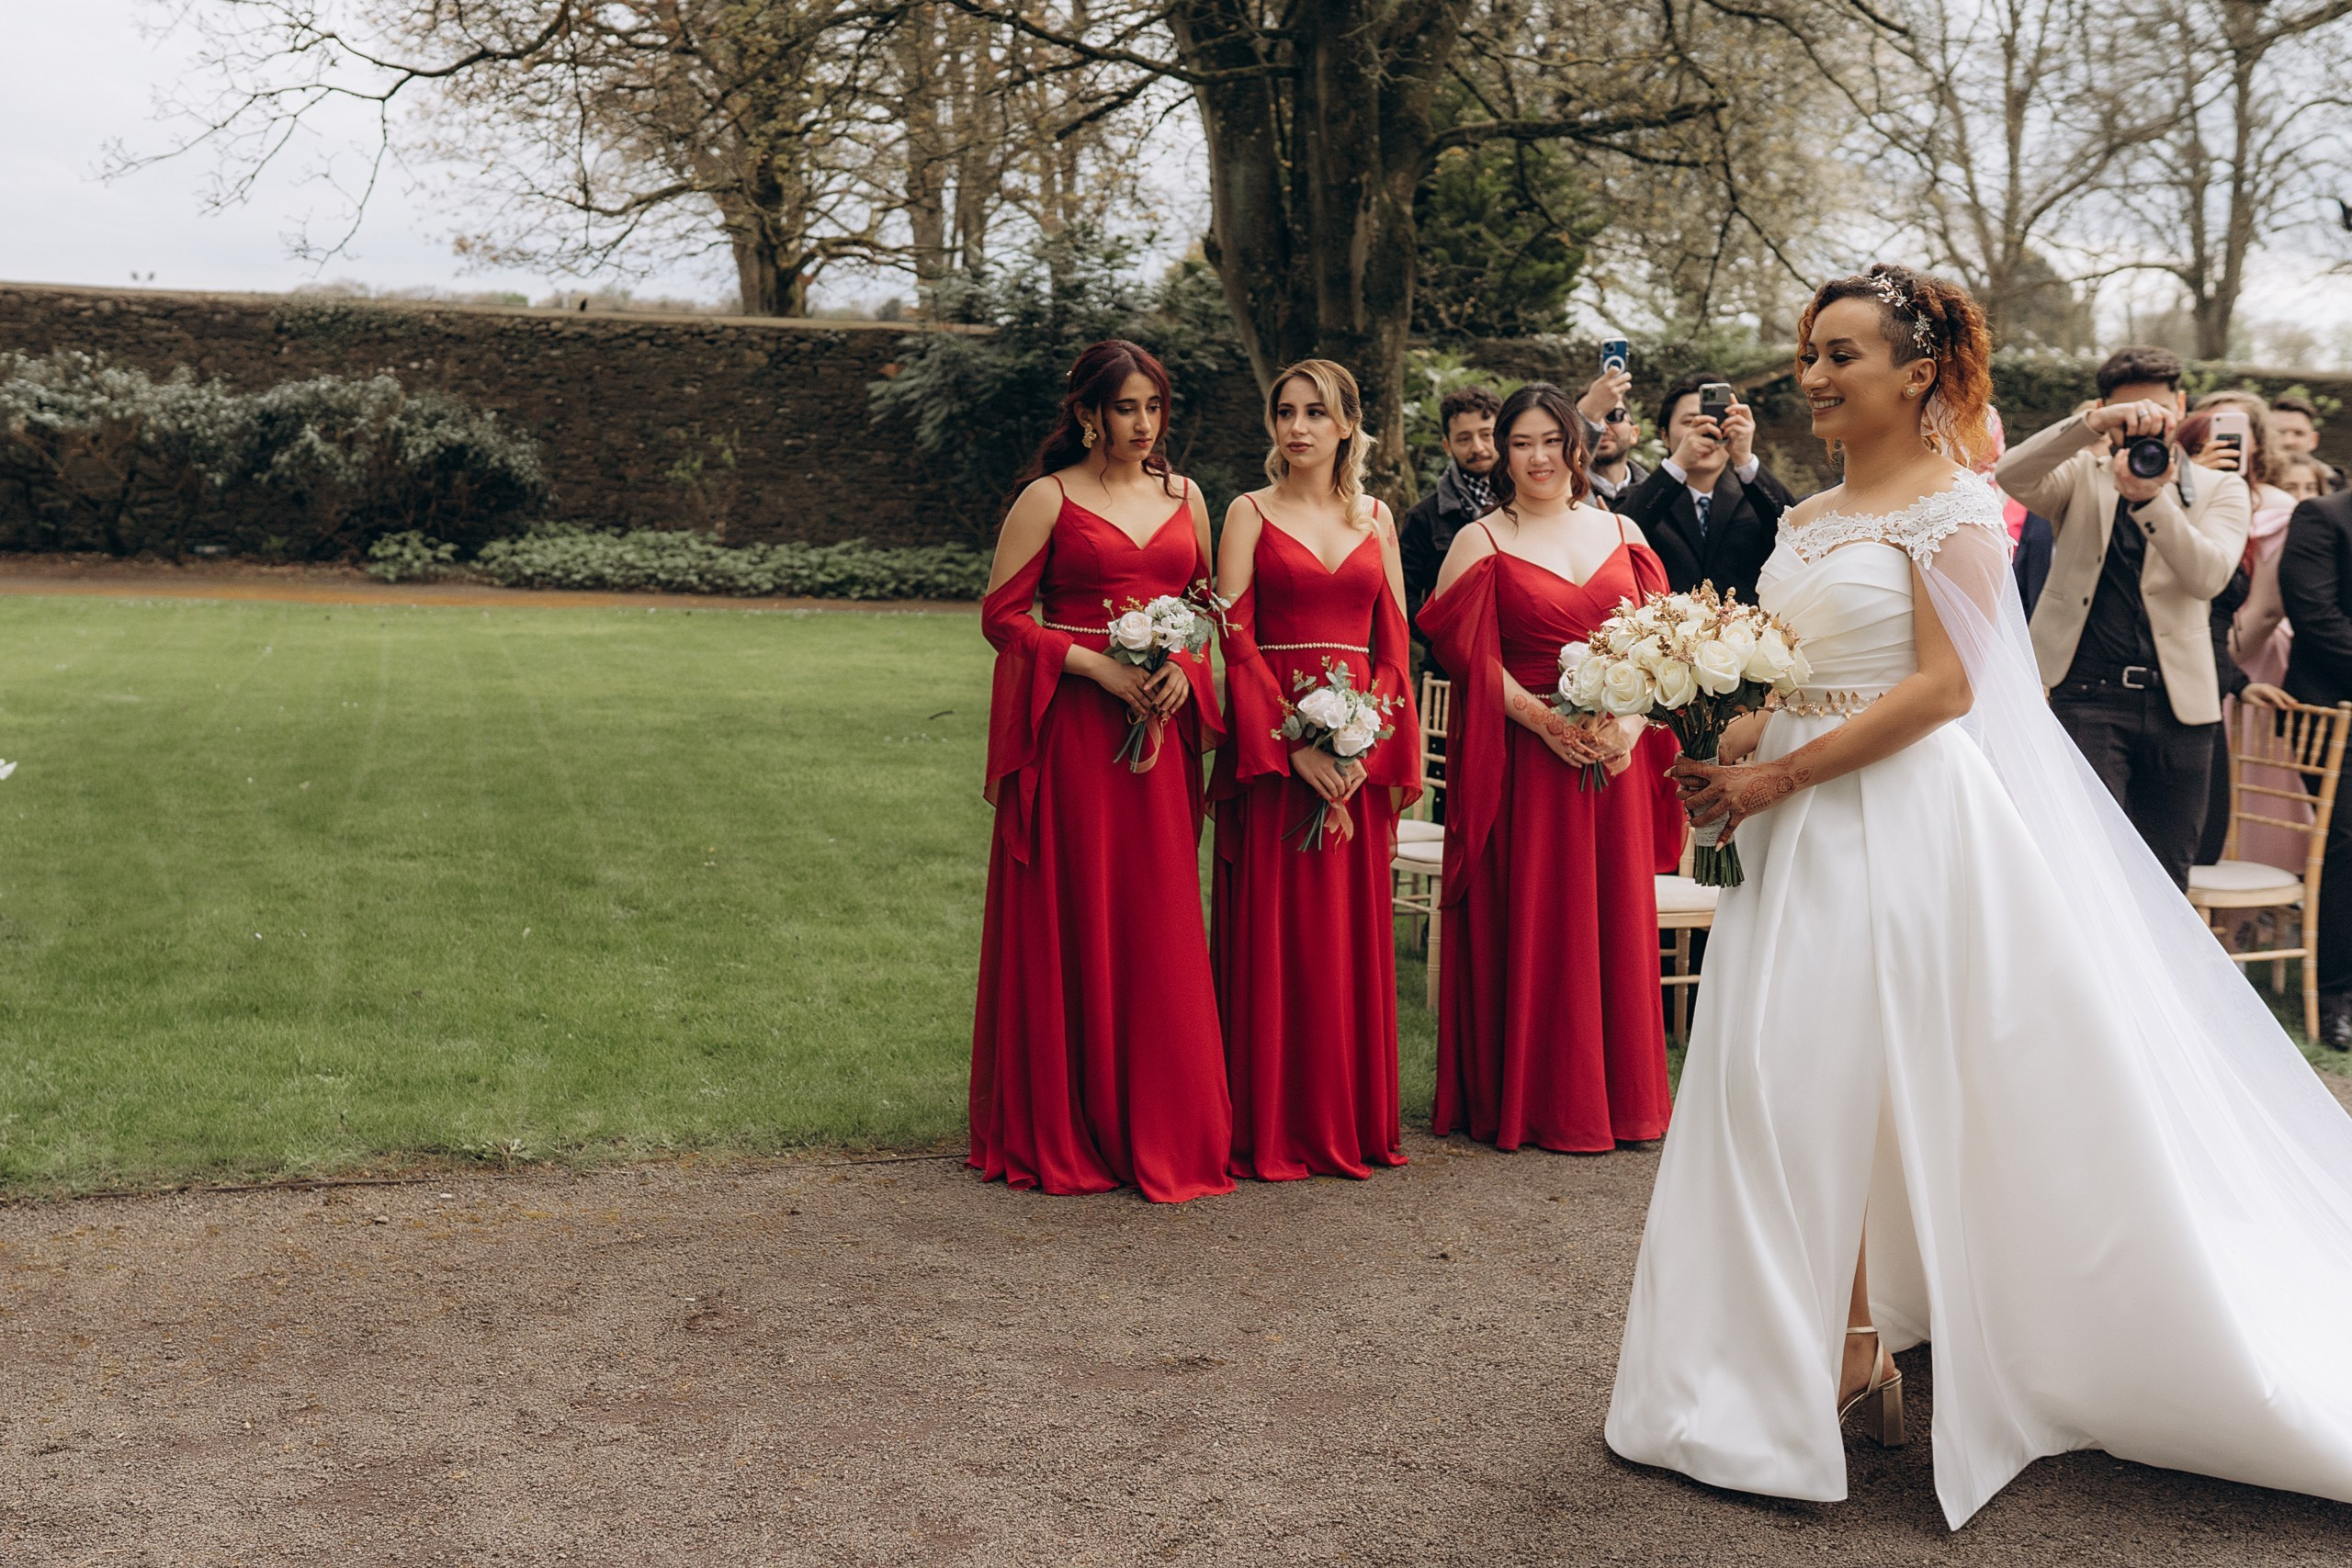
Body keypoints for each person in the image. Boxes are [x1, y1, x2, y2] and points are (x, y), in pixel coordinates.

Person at [1609, 261, 2352, 1529]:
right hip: (1793, 829)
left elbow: (1949, 686)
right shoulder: (1802, 520)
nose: (1816, 374)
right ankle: (1825, 1346)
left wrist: (1783, 766)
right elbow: (1789, 672)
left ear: (1919, 373)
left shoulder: (1954, 508)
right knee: (1768, 1080)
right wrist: (1724, 745)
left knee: (1841, 1076)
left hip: (1902, 826)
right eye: (1808, 352)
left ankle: (1861, 1350)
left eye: (1842, 352)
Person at [969, 339, 1234, 1203]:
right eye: (1126, 408)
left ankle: (1163, 1121)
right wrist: (1096, 665)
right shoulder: (1047, 499)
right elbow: (1003, 617)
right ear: (1088, 412)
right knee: (1081, 908)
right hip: (1078, 737)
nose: (1143, 424)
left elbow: (1203, 610)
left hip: (1155, 743)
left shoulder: (1186, 497)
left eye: (1154, 407)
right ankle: (1070, 1119)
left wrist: (1180, 669)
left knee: (1156, 915)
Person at [1414, 383, 1672, 1154]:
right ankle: (1532, 1098)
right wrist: (1542, 721)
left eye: (1551, 441)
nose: (1537, 458)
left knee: (1611, 919)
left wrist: (1628, 724)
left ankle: (1619, 1100)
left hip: (1613, 759)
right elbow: (1463, 655)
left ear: (1576, 446)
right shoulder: (1480, 540)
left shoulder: (1624, 531)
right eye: (1521, 443)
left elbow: (1661, 649)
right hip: (1527, 761)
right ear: (1503, 451)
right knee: (1537, 915)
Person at [1211, 360, 1420, 1180]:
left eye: (1315, 413)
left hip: (1358, 757)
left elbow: (1395, 643)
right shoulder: (1248, 512)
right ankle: (1269, 1122)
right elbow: (1233, 638)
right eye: (1285, 411)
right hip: (1275, 757)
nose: (1297, 426)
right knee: (1277, 931)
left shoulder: (1377, 518)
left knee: (1344, 934)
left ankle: (1347, 1119)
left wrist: (1362, 743)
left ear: (1346, 426)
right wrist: (1295, 746)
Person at [1996, 345, 2250, 888]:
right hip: (2086, 697)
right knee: (2085, 863)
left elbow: (2209, 577)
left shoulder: (2221, 487)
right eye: (2128, 413)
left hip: (2180, 708)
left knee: (2166, 876)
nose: (2146, 427)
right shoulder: (2080, 476)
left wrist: (2149, 501)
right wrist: (2088, 427)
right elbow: (2013, 475)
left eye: (2158, 412)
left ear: (2181, 405)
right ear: (2104, 407)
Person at [2278, 477, 2352, 1043]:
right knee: (2347, 845)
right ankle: (2335, 996)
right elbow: (2317, 619)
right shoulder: (2322, 517)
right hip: (2331, 715)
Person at [1616, 372, 1799, 601]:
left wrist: (1744, 458)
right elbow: (1616, 545)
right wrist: (1679, 463)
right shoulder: (1640, 497)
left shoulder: (1756, 496)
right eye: (1690, 422)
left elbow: (1795, 534)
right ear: (1664, 435)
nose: (1706, 430)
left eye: (1715, 420)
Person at [1398, 385, 1502, 656]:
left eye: (1487, 435)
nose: (1477, 447)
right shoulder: (1424, 517)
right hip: (1448, 671)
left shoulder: (1528, 504)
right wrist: (1443, 642)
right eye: (1464, 438)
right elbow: (1401, 593)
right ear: (1447, 445)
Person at [1576, 367, 1651, 511]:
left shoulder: (1658, 493)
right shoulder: (1563, 492)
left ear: (1634, 433)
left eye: (1614, 416)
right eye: (1591, 420)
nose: (1602, 427)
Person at [2271, 393, 2346, 493]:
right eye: (2279, 432)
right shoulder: (2247, 481)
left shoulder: (2339, 487)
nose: (2288, 441)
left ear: (2313, 440)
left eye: (2299, 433)